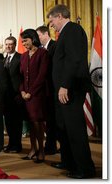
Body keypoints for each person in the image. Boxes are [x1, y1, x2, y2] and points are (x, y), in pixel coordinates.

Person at [47, 4, 95, 179]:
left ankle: (85, 169)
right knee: (64, 128)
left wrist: (65, 85)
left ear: (59, 16)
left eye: (52, 20)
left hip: (71, 89)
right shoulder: (66, 32)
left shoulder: (73, 30)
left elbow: (74, 61)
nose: (51, 25)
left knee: (74, 130)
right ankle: (69, 162)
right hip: (64, 90)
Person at [19, 29, 49, 163]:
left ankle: (41, 151)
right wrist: (22, 92)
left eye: (25, 40)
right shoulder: (23, 56)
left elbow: (42, 75)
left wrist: (31, 92)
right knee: (30, 123)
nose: (23, 43)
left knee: (37, 123)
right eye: (22, 41)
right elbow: (20, 77)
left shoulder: (43, 53)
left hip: (37, 95)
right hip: (25, 95)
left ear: (32, 38)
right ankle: (32, 149)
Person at [36, 25, 58, 155]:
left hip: (55, 88)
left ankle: (52, 146)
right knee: (49, 119)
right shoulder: (40, 49)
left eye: (38, 36)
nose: (37, 39)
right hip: (46, 90)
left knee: (54, 120)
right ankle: (50, 145)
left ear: (45, 34)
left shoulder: (55, 46)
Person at [2, 36, 24, 153]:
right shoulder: (3, 59)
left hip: (17, 95)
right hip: (6, 97)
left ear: (15, 45)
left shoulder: (20, 58)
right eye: (6, 44)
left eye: (10, 44)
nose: (8, 46)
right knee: (9, 122)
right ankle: (11, 143)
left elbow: (23, 77)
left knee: (17, 122)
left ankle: (17, 145)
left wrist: (21, 92)